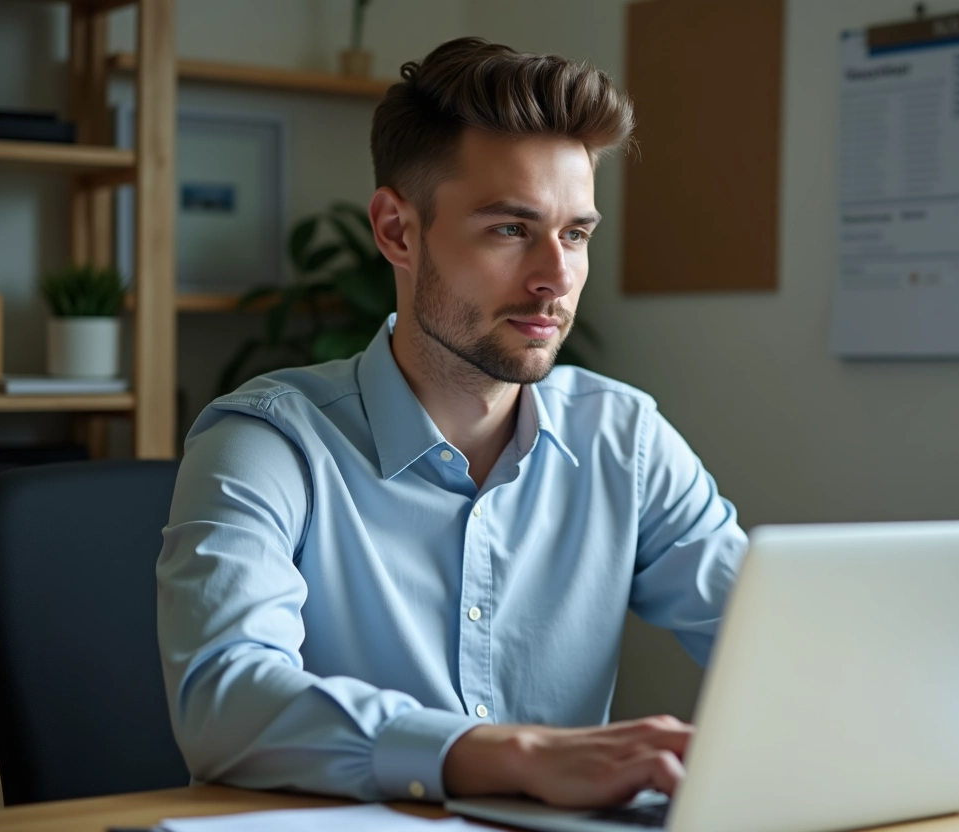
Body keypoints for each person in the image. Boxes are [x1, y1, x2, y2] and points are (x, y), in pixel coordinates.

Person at [157, 37, 746, 810]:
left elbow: (775, 641)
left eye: (575, 233)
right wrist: (518, 756)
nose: (556, 278)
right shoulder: (269, 443)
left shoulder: (623, 439)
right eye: (510, 229)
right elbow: (224, 703)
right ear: (398, 231)